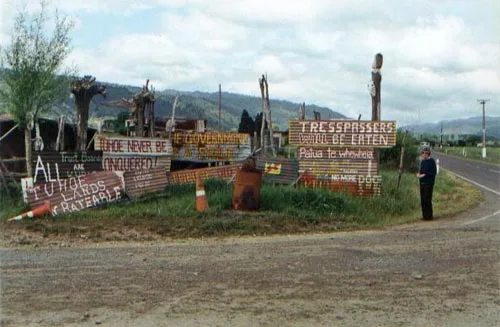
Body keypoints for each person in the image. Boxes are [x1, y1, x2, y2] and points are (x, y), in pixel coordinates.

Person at [416, 146, 437, 220]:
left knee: (427, 199)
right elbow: (421, 171)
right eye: (422, 153)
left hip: (429, 183)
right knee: (422, 200)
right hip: (422, 183)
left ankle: (429, 216)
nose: (422, 154)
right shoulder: (423, 161)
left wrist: (424, 175)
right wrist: (419, 174)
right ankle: (424, 216)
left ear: (427, 154)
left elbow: (433, 172)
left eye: (424, 153)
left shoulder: (431, 161)